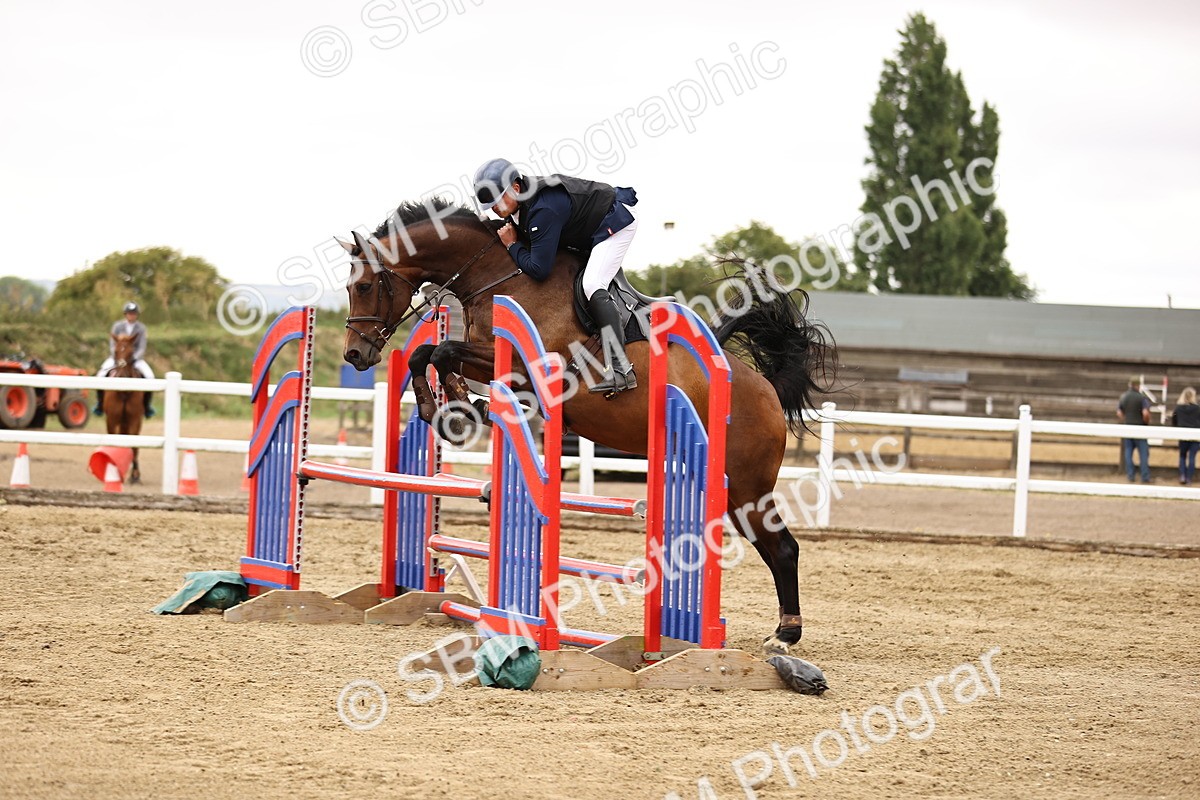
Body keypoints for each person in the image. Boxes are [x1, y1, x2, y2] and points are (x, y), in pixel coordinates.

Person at [473, 158, 639, 395]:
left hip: (614, 220)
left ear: (516, 188)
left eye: (498, 201)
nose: (495, 209)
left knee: (592, 284)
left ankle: (622, 369)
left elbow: (540, 270)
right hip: (586, 227)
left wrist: (512, 246)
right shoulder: (521, 206)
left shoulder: (543, 209)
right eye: (491, 206)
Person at [94, 302, 156, 418]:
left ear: (137, 315)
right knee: (100, 375)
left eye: (134, 313)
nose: (131, 315)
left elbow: (142, 347)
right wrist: (118, 358)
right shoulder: (117, 326)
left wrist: (133, 358)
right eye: (129, 313)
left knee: (150, 377)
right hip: (117, 358)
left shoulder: (141, 328)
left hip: (134, 359)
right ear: (125, 314)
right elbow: (112, 345)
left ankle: (147, 406)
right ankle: (100, 404)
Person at [1116, 377, 1151, 483]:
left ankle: (1130, 475)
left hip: (1128, 427)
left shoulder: (1124, 397)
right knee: (1143, 454)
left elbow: (1119, 413)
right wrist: (1146, 422)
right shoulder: (1142, 398)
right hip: (1140, 428)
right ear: (1138, 385)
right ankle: (1144, 477)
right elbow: (1145, 413)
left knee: (1128, 452)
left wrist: (1126, 420)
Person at [1170, 386, 1200, 485]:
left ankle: (1182, 475)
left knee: (1182, 456)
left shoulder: (1178, 408)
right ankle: (1189, 478)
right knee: (1192, 457)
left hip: (1182, 435)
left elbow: (1174, 420)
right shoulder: (1197, 408)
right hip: (1195, 436)